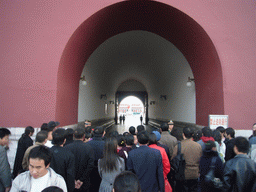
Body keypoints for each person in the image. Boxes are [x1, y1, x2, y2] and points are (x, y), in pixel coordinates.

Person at [171, 127, 202, 192]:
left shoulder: (178, 146)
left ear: (183, 134)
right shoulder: (198, 146)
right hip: (194, 174)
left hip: (182, 175)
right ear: (193, 135)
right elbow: (200, 160)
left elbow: (173, 160)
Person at [65, 127, 94, 192]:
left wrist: (73, 179)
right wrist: (81, 180)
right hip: (84, 182)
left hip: (70, 182)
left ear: (74, 136)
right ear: (84, 136)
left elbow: (66, 165)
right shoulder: (88, 148)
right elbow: (90, 165)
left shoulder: (67, 148)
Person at [87, 126, 105, 192]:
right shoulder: (105, 144)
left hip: (90, 170)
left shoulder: (88, 144)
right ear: (103, 134)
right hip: (102, 169)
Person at [0, 128, 12, 192]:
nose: (7, 141)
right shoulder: (1, 150)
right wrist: (7, 185)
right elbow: (3, 168)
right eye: (6, 138)